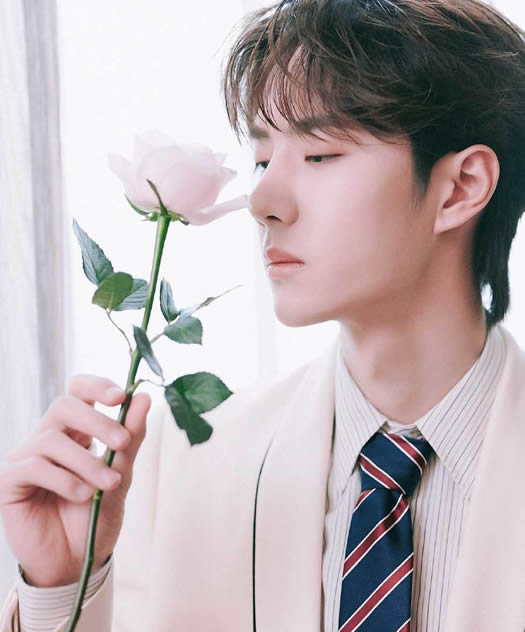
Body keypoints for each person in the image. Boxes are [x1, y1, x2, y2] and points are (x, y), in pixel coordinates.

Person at [2, 0, 525, 629]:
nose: (262, 201)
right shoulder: (184, 459)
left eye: (320, 155)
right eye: (261, 160)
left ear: (461, 187)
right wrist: (63, 588)